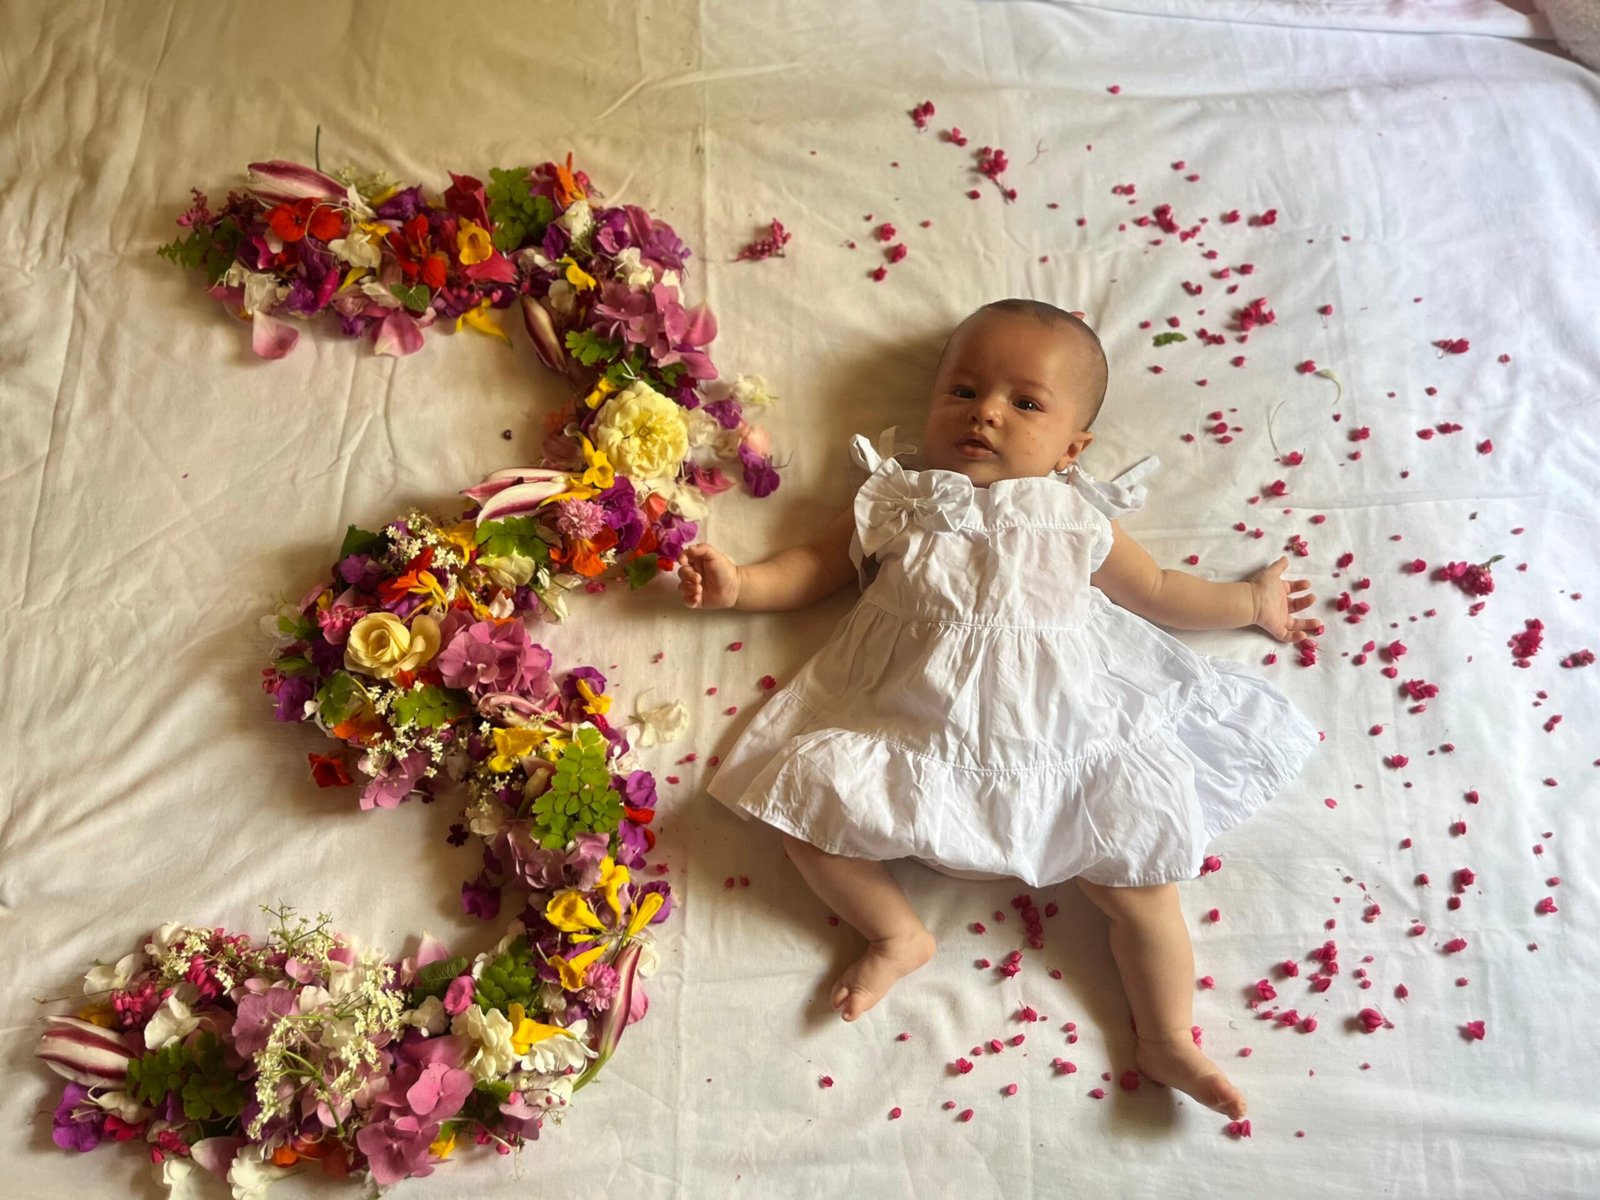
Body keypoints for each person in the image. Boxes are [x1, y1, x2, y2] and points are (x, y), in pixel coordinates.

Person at [676, 298, 1323, 1120]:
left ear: (1072, 448)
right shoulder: (898, 497)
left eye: (1025, 403)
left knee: (1143, 886)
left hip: (1065, 744)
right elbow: (814, 566)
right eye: (963, 390)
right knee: (801, 815)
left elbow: (1159, 591)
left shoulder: (1073, 515)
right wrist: (742, 585)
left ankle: (1167, 1036)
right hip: (909, 734)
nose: (985, 412)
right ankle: (896, 934)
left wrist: (1250, 603)